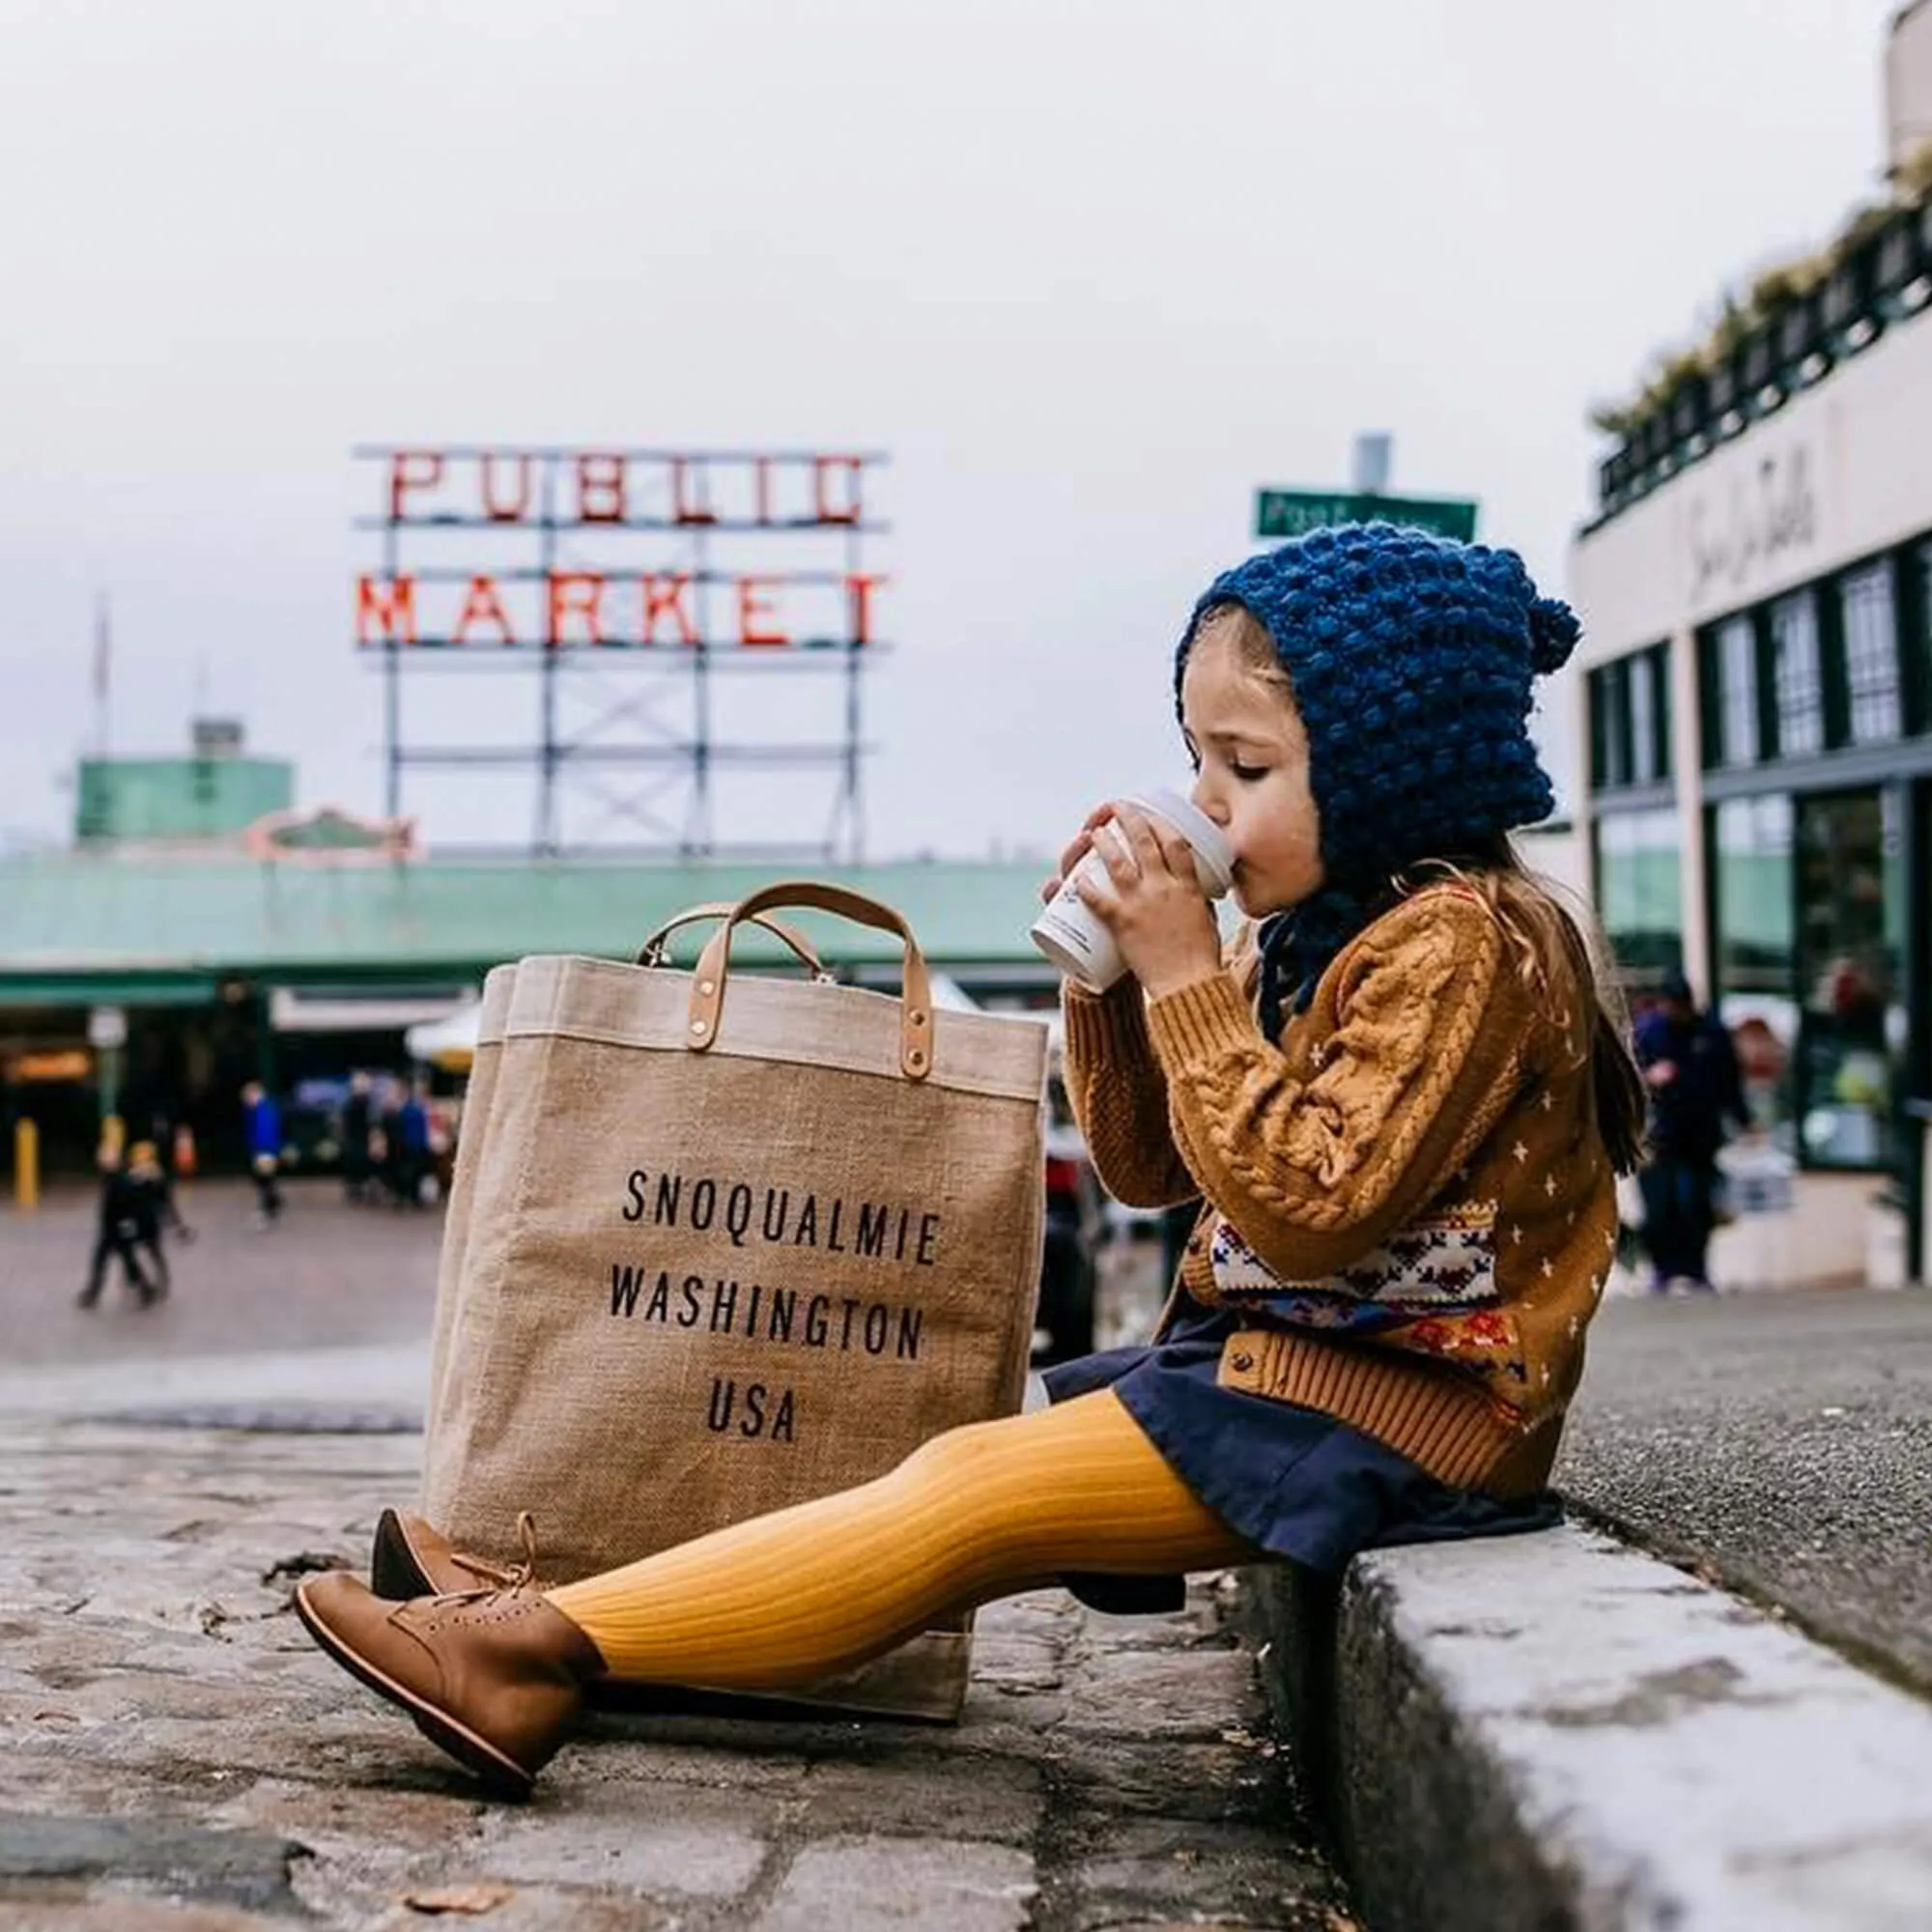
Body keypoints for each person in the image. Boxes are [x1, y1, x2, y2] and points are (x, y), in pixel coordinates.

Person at [293, 524, 1647, 1799]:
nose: (1204, 802)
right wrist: (1114, 987)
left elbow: (1303, 1208)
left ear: (1384, 772)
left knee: (962, 1491)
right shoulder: (1318, 936)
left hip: (1402, 1416)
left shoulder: (1464, 944)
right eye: (1197, 760)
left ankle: (525, 1658)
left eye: (1245, 768)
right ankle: (568, 1593)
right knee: (925, 1409)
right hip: (1285, 1367)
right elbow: (1150, 1165)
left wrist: (1183, 967)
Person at [1633, 968, 1749, 1293]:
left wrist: (1743, 1119)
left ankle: (1696, 1268)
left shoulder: (1711, 1034)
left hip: (1700, 1133)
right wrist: (1650, 1078)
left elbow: (1729, 1081)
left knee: (1695, 1203)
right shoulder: (1649, 1033)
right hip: (1658, 1135)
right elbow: (1626, 1079)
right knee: (1659, 1206)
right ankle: (1663, 1269)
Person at [77, 1146, 157, 1309]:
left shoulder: (120, 1179)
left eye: (104, 1158)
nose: (100, 1161)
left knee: (125, 1263)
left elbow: (129, 1205)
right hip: (111, 1229)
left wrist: (128, 1226)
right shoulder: (111, 1177)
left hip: (118, 1230)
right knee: (107, 1262)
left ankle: (145, 1289)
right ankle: (93, 1293)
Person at [124, 1138, 193, 1300]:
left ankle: (148, 1283)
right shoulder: (154, 1177)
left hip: (144, 1221)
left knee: (142, 1252)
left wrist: (178, 1224)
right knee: (151, 1252)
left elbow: (167, 1202)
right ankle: (154, 1282)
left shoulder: (136, 1178)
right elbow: (168, 1203)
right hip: (148, 1221)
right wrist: (178, 1225)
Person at [241, 1081, 284, 1228]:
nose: (247, 1100)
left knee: (264, 1181)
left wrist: (260, 1151)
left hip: (264, 1151)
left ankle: (268, 1211)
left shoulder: (263, 1110)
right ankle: (272, 1207)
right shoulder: (260, 1109)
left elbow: (264, 1133)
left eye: (248, 1096)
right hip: (264, 1150)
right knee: (266, 1181)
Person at [341, 1071, 376, 1205]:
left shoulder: (369, 1104)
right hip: (355, 1140)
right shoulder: (351, 1105)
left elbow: (372, 1123)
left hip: (364, 1140)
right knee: (355, 1166)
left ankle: (360, 1189)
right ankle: (355, 1189)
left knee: (365, 1166)